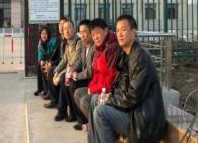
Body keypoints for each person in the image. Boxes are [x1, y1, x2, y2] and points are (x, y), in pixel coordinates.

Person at [88, 15, 167, 143]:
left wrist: (110, 99)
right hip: (132, 111)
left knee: (101, 112)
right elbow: (120, 86)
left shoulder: (140, 57)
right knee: (95, 100)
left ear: (133, 32)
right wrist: (108, 96)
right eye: (117, 31)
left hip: (142, 120)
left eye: (123, 30)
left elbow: (133, 96)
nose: (119, 34)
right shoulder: (126, 54)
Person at [75, 18, 119, 131]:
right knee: (78, 93)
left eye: (98, 33)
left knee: (85, 100)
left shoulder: (112, 47)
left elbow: (111, 78)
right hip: (98, 86)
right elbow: (96, 72)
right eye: (93, 34)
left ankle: (97, 127)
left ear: (106, 30)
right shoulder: (98, 48)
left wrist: (93, 89)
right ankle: (94, 124)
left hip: (107, 90)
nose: (95, 37)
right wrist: (91, 87)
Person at [66, 19, 95, 128]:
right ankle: (75, 115)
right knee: (68, 81)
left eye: (84, 32)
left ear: (91, 32)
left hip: (90, 79)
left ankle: (82, 120)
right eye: (80, 32)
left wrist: (78, 75)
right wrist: (73, 70)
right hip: (84, 77)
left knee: (74, 85)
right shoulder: (84, 45)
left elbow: (91, 70)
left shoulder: (94, 47)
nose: (82, 35)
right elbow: (79, 62)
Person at [53, 19, 82, 121]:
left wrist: (61, 73)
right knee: (54, 75)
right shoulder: (68, 43)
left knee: (62, 78)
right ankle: (58, 104)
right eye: (64, 28)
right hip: (69, 71)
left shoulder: (78, 42)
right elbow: (64, 60)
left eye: (69, 27)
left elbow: (74, 62)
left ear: (74, 29)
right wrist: (56, 71)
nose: (66, 30)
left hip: (77, 72)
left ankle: (62, 111)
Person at [44, 17, 67, 108]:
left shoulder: (68, 39)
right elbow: (56, 54)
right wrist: (50, 62)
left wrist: (53, 65)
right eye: (59, 25)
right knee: (44, 68)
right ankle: (50, 92)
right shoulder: (59, 39)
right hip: (59, 63)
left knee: (51, 71)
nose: (61, 27)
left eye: (63, 25)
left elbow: (64, 59)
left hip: (64, 65)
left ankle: (55, 99)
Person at [34, 26, 59, 97]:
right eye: (42, 34)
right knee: (39, 65)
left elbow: (54, 55)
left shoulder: (53, 42)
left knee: (44, 68)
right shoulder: (40, 43)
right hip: (46, 60)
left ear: (48, 34)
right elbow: (40, 54)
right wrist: (41, 60)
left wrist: (48, 63)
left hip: (53, 61)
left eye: (45, 34)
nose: (43, 35)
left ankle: (47, 90)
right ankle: (40, 88)